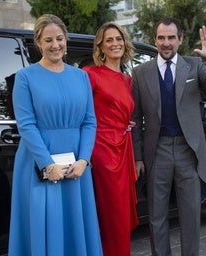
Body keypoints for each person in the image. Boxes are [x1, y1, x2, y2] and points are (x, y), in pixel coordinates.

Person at [132, 17, 206, 255]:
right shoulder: (140, 72)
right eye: (162, 38)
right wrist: (138, 157)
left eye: (171, 38)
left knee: (190, 215)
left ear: (180, 40)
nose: (166, 43)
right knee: (156, 217)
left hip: (189, 152)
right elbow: (134, 120)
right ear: (155, 40)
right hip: (156, 152)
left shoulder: (194, 65)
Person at [8, 14, 102, 255]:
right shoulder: (25, 77)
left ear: (66, 39)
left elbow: (90, 121)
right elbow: (26, 125)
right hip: (39, 163)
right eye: (48, 40)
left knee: (75, 224)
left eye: (59, 38)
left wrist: (84, 160)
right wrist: (47, 165)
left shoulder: (81, 76)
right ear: (38, 42)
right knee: (44, 224)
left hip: (77, 166)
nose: (55, 45)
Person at [83, 22, 138, 256]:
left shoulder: (127, 79)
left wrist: (126, 121)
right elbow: (82, 112)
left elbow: (118, 109)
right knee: (111, 213)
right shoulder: (90, 74)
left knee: (122, 213)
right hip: (103, 150)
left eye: (118, 38)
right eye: (109, 40)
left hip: (124, 148)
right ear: (101, 47)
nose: (115, 43)